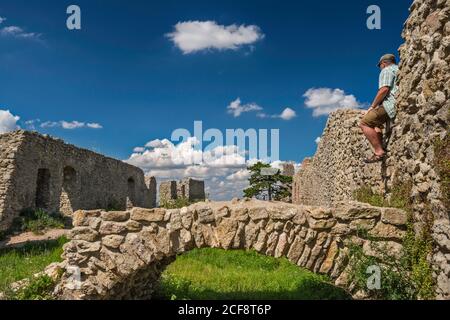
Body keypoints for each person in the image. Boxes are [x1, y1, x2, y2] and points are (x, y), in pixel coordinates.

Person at [360, 53, 399, 163]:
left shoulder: (386, 70)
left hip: (390, 104)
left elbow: (384, 90)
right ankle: (381, 145)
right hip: (397, 102)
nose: (380, 68)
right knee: (375, 123)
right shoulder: (398, 69)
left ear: (384, 63)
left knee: (364, 123)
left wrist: (372, 107)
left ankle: (379, 152)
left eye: (379, 66)